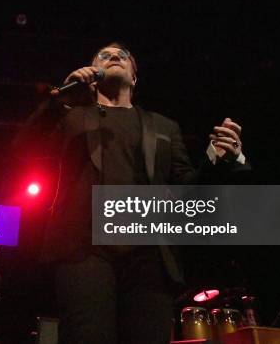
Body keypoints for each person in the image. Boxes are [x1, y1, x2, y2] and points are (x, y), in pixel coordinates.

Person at [15, 42, 251, 344]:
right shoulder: (71, 117)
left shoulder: (164, 126)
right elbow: (23, 150)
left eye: (123, 56)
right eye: (104, 55)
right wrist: (58, 102)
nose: (114, 56)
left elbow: (187, 190)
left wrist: (218, 159)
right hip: (84, 248)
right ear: (92, 74)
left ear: (135, 78)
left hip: (149, 253)